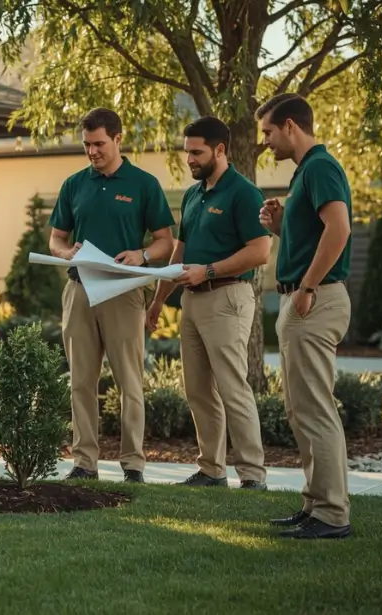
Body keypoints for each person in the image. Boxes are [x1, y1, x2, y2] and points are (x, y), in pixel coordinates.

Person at [48, 108, 176, 484]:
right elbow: (56, 238)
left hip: (124, 292)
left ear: (118, 139)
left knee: (129, 381)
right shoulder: (74, 184)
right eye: (87, 145)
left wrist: (143, 256)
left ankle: (133, 464)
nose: (92, 151)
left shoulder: (143, 183)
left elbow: (165, 240)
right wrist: (63, 252)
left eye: (99, 144)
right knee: (80, 382)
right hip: (80, 290)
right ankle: (84, 463)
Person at [146, 116, 271, 491]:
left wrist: (209, 271)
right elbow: (180, 252)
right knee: (198, 389)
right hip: (192, 301)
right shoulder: (193, 194)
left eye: (197, 152)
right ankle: (212, 470)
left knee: (233, 387)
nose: (190, 160)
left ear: (220, 149)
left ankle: (252, 475)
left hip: (228, 297)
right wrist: (158, 301)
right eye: (187, 152)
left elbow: (261, 251)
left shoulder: (243, 193)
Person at [256, 93, 354, 539]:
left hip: (316, 299)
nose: (266, 142)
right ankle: (314, 505)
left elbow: (340, 228)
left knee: (315, 410)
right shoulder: (304, 174)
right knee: (301, 411)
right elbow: (315, 232)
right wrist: (281, 224)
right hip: (303, 299)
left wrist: (309, 287)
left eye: (269, 133)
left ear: (291, 126)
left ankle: (333, 515)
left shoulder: (320, 167)